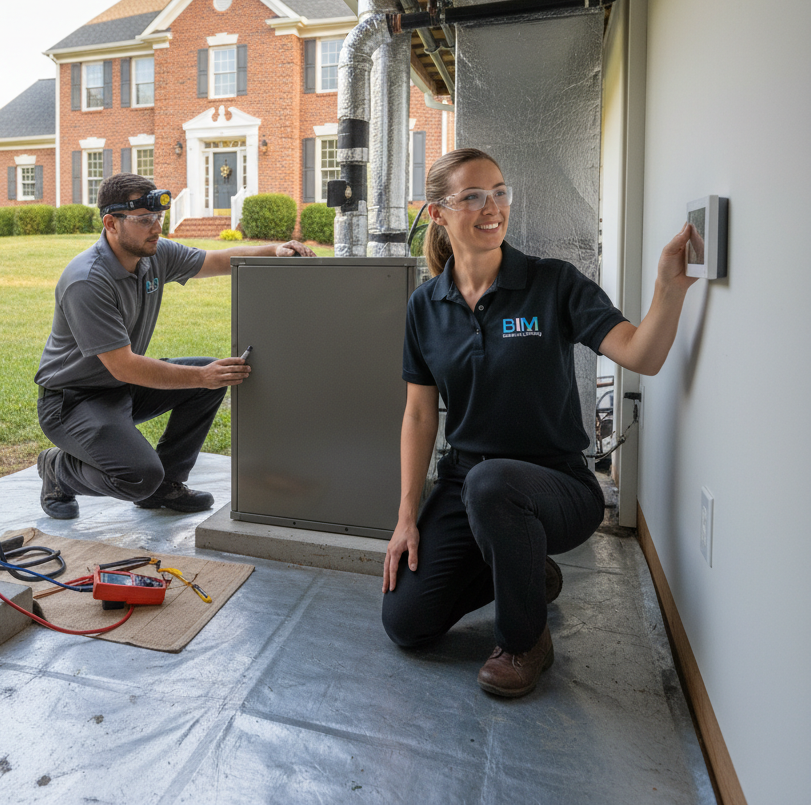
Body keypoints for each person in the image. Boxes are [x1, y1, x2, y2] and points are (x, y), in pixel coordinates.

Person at [381, 148, 697, 698]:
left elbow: (641, 355)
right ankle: (529, 572)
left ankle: (524, 641)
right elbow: (417, 413)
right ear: (437, 213)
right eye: (473, 196)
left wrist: (667, 290)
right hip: (466, 483)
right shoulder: (424, 306)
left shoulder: (551, 284)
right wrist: (407, 516)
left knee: (494, 483)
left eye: (500, 192)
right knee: (406, 623)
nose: (492, 208)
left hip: (558, 485)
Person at [34, 172, 315, 520]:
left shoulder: (154, 254)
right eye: (144, 220)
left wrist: (273, 250)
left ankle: (166, 486)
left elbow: (216, 260)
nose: (156, 227)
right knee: (139, 476)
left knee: (214, 377)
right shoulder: (87, 281)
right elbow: (124, 366)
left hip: (120, 389)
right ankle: (58, 471)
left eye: (158, 218)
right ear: (111, 223)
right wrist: (201, 376)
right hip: (72, 401)